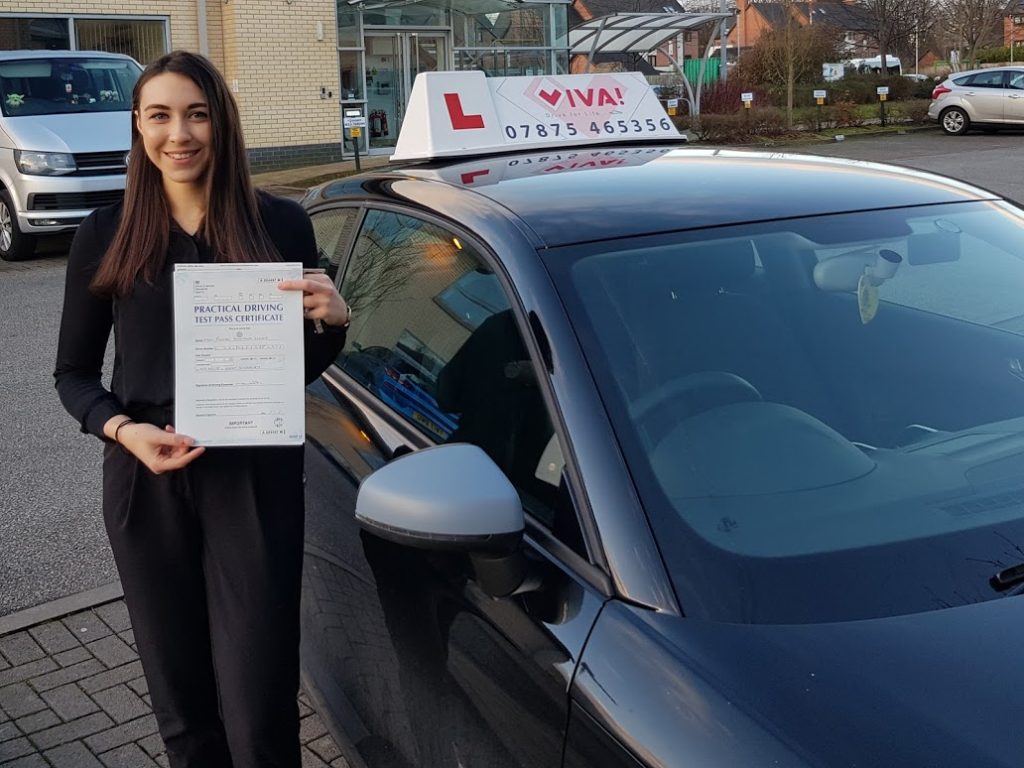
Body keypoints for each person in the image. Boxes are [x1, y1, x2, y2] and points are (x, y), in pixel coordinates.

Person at [53, 50, 349, 768]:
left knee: (260, 709)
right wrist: (124, 430)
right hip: (145, 484)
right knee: (183, 711)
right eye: (159, 115)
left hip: (255, 482)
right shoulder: (106, 232)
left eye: (196, 113)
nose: (178, 133)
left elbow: (292, 374)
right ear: (138, 126)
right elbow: (72, 376)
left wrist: (334, 323)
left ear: (222, 123)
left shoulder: (280, 225)